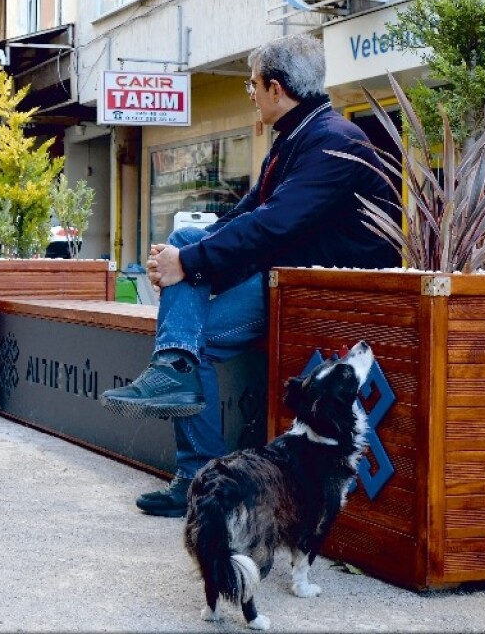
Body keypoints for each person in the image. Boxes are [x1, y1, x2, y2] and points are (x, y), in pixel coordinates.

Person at [99, 34, 401, 517]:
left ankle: (194, 452)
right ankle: (175, 372)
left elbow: (274, 223)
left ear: (276, 88)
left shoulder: (333, 143)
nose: (253, 94)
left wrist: (190, 264)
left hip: (320, 291)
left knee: (190, 337)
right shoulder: (300, 135)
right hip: (284, 278)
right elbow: (248, 212)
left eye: (252, 86)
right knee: (183, 249)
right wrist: (185, 255)